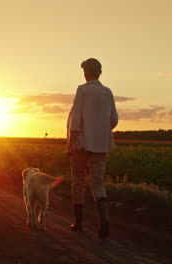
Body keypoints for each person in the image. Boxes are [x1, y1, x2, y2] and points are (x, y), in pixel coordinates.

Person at [66, 58, 118, 239]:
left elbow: (76, 120)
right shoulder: (107, 92)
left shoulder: (82, 90)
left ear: (86, 72)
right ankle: (104, 218)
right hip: (101, 144)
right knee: (97, 181)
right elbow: (114, 120)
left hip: (81, 143)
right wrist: (100, 131)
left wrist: (71, 143)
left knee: (78, 181)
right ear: (100, 72)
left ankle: (78, 223)